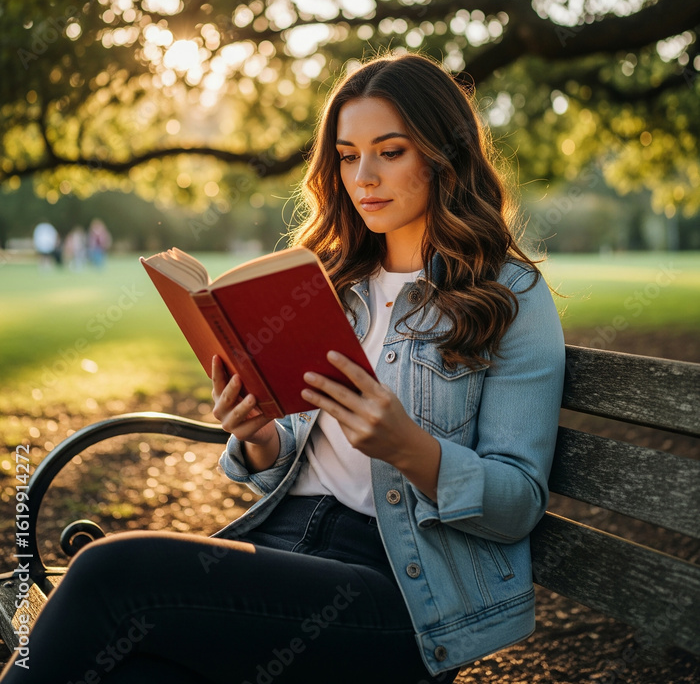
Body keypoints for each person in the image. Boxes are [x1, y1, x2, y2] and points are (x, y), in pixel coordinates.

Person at [0, 52, 565, 683]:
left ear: (444, 155)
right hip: (284, 547)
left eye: (391, 151)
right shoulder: (329, 284)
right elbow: (294, 465)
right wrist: (262, 439)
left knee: (109, 573)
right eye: (348, 156)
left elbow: (518, 503)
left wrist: (410, 449)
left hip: (399, 592)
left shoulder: (508, 296)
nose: (365, 176)